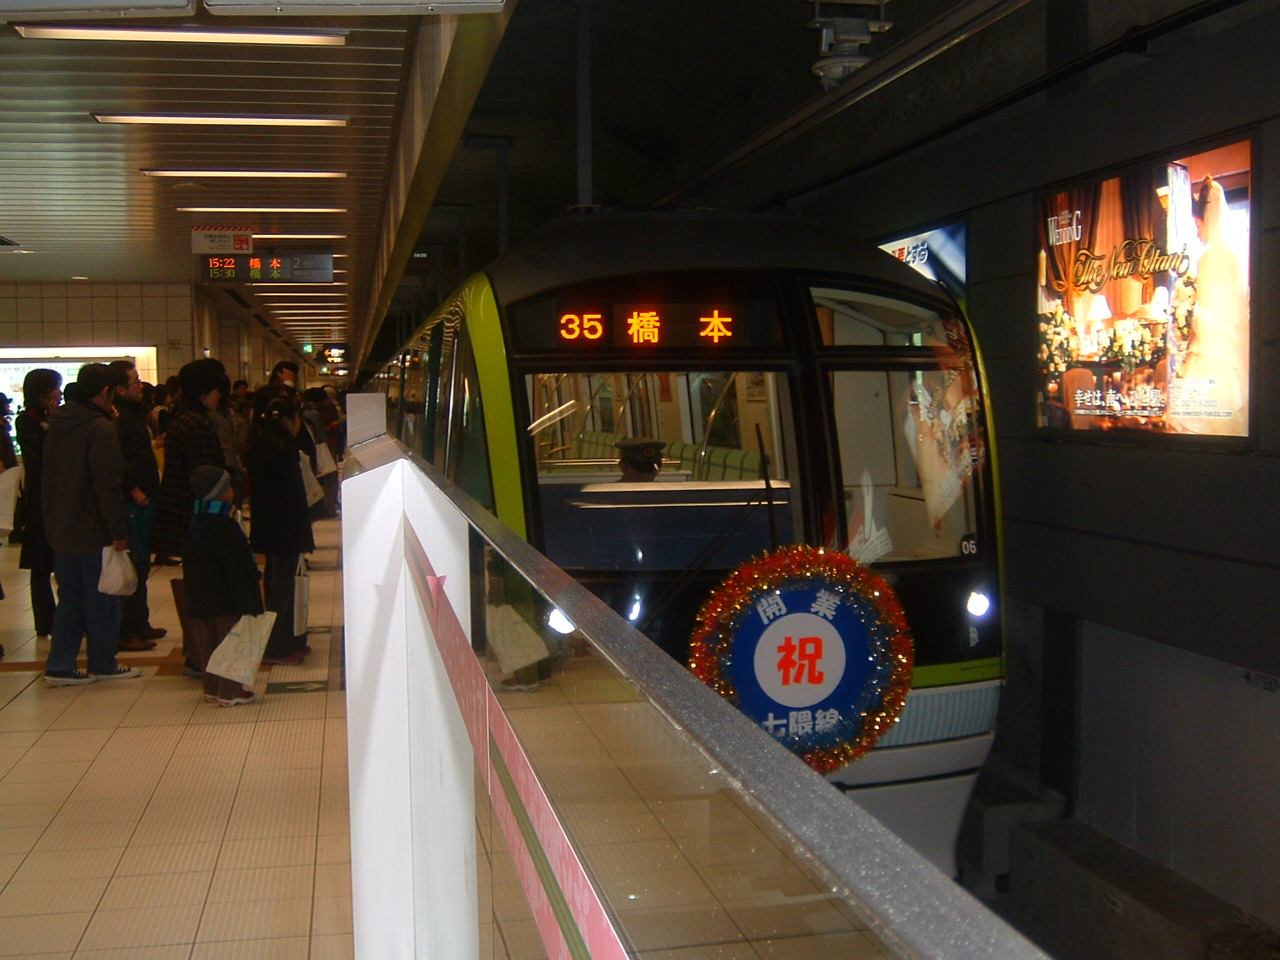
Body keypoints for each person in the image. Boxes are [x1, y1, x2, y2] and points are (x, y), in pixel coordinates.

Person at [41, 363, 140, 685]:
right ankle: (102, 662)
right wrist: (118, 531)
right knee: (102, 598)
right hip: (93, 528)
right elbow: (106, 485)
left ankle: (60, 664)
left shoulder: (58, 423)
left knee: (70, 600)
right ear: (105, 392)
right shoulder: (100, 429)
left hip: (61, 525)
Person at [183, 464, 264, 707]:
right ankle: (230, 691)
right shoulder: (226, 526)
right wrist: (250, 595)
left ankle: (211, 687)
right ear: (221, 492)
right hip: (227, 598)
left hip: (202, 597)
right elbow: (238, 566)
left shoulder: (195, 523)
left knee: (209, 643)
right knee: (230, 644)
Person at [247, 389, 314, 665]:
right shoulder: (287, 450)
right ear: (291, 419)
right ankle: (278, 647)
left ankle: (280, 642)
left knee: (275, 585)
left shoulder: (260, 445)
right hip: (287, 529)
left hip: (267, 527)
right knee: (282, 589)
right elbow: (295, 496)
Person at [107, 359, 166, 651]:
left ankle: (139, 623)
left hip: (145, 494)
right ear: (118, 388)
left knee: (142, 564)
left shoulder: (133, 414)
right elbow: (118, 460)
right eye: (134, 381)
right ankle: (125, 630)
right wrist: (133, 488)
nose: (140, 386)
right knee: (132, 565)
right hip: (133, 499)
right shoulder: (118, 419)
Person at [151, 359, 227, 566]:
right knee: (204, 575)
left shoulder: (183, 417)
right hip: (195, 516)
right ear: (203, 393)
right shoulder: (195, 424)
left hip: (183, 513)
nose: (219, 396)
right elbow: (204, 478)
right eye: (216, 391)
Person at [15, 369, 62, 644]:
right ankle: (45, 620)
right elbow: (41, 455)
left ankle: (58, 617)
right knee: (41, 564)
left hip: (54, 496)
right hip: (39, 499)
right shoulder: (27, 420)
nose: (59, 394)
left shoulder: (48, 418)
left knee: (54, 562)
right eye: (55, 389)